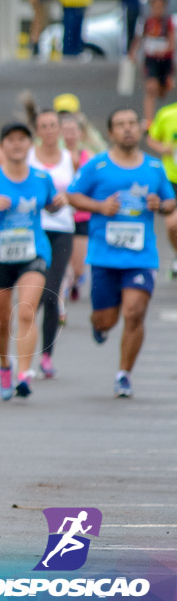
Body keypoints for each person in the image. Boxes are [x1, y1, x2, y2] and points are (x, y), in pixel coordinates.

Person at [68, 108, 176, 398]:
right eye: (120, 125)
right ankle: (99, 327)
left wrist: (160, 205)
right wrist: (100, 207)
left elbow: (170, 202)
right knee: (107, 319)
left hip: (141, 255)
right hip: (104, 255)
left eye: (132, 123)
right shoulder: (98, 166)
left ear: (140, 129)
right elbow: (73, 194)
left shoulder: (154, 168)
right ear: (111, 132)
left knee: (135, 312)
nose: (127, 129)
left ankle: (124, 374)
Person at [0, 122, 65, 401]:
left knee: (27, 311)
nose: (17, 144)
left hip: (34, 252)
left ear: (29, 145)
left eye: (22, 139)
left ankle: (24, 373)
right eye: (11, 140)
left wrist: (58, 204)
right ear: (2, 146)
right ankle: (4, 366)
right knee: (2, 320)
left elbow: (50, 204)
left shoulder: (42, 178)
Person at [27, 110, 75, 379]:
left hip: (62, 231)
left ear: (60, 128)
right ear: (37, 130)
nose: (48, 130)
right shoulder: (29, 158)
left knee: (51, 292)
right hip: (33, 230)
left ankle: (46, 355)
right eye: (43, 126)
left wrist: (68, 198)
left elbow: (79, 190)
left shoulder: (70, 158)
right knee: (30, 295)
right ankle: (23, 350)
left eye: (52, 125)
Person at [61, 113, 93, 300]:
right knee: (62, 258)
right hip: (60, 215)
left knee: (78, 266)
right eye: (65, 131)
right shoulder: (56, 157)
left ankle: (76, 279)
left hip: (81, 215)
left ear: (80, 134)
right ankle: (62, 287)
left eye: (73, 131)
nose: (70, 135)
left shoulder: (87, 157)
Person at [129, 0, 174, 124]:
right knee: (151, 88)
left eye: (160, 7)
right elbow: (139, 38)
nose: (157, 10)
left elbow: (171, 41)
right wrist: (133, 53)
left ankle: (163, 89)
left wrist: (165, 51)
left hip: (165, 60)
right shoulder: (146, 22)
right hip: (151, 60)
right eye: (155, 7)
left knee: (163, 90)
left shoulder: (168, 22)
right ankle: (149, 121)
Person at [146, 97, 177, 278]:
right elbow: (151, 139)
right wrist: (163, 148)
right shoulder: (167, 114)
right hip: (171, 178)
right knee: (173, 225)